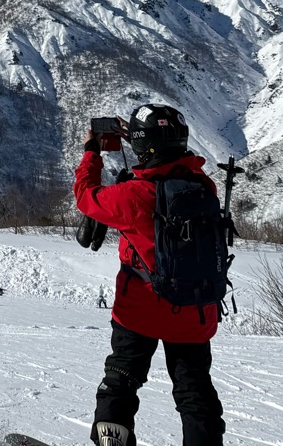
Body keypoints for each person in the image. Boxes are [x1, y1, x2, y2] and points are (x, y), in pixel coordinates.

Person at [75, 105, 225, 446]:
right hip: (194, 312)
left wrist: (91, 153)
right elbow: (173, 167)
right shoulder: (205, 187)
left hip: (139, 313)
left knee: (119, 383)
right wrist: (143, 138)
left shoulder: (133, 196)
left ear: (144, 147)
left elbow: (85, 196)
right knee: (195, 394)